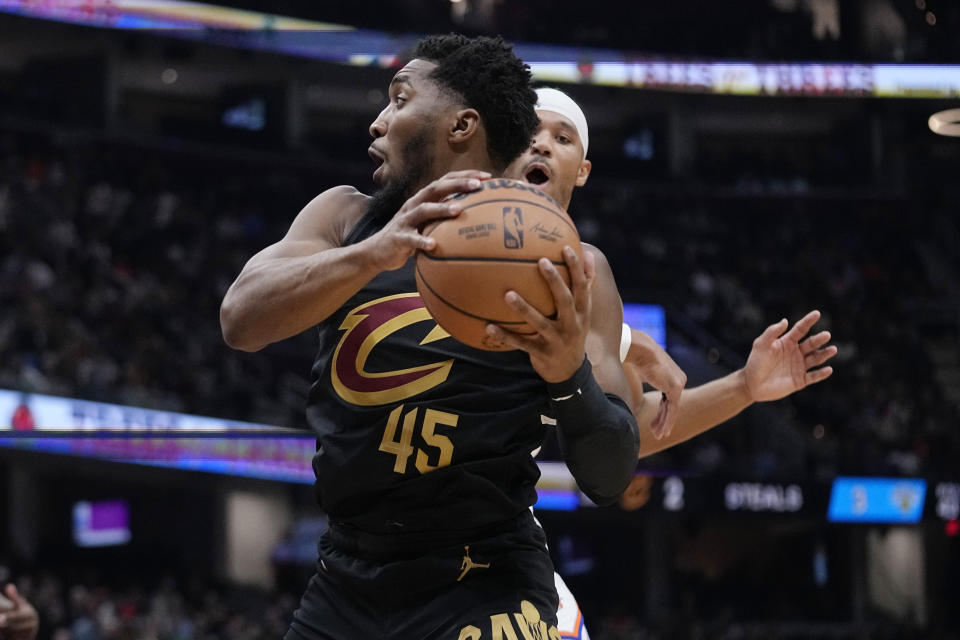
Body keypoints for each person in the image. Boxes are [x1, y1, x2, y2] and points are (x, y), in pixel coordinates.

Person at [220, 35, 640, 639]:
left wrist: (567, 374)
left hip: (483, 576)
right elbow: (240, 319)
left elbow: (612, 476)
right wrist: (371, 255)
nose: (377, 122)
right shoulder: (346, 218)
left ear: (461, 124)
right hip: (347, 578)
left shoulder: (571, 267)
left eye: (399, 99)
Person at [504, 87, 838, 639]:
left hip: (499, 539)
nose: (541, 144)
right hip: (393, 536)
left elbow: (624, 431)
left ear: (581, 170)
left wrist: (743, 387)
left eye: (560, 137)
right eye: (526, 133)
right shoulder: (447, 234)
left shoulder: (588, 275)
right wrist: (631, 342)